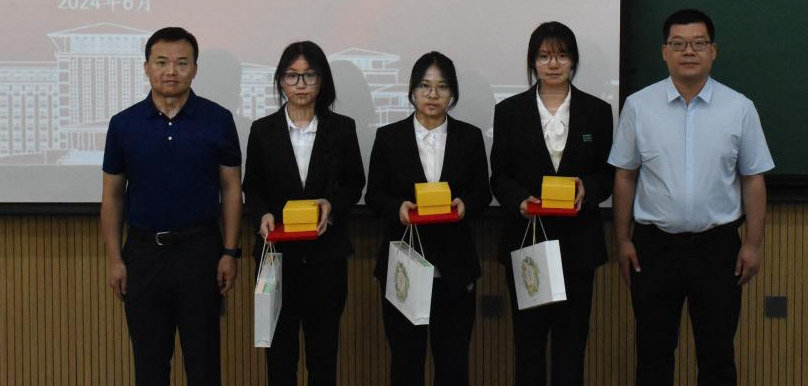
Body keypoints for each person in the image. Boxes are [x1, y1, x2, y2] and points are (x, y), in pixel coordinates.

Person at [609, 9, 774, 386]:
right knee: (653, 356)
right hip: (653, 248)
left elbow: (753, 179)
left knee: (717, 357)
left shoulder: (739, 108)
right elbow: (625, 175)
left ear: (713, 51)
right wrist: (622, 240)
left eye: (699, 43)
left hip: (717, 248)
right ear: (664, 52)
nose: (688, 51)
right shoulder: (639, 106)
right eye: (678, 44)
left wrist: (753, 244)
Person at [100, 26, 243, 386]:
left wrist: (230, 251)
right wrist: (115, 259)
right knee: (149, 365)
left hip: (201, 252)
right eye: (161, 62)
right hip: (144, 254)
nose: (171, 71)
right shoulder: (123, 124)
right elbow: (113, 196)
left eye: (181, 63)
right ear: (146, 67)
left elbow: (231, 188)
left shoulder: (218, 120)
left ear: (195, 68)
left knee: (204, 363)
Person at [489, 22, 614, 386]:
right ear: (533, 62)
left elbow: (608, 174)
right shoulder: (510, 111)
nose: (553, 64)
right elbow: (499, 176)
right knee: (528, 347)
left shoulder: (597, 111)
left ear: (573, 60)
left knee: (571, 347)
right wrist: (519, 201)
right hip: (527, 242)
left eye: (562, 55)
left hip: (579, 246)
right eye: (544, 56)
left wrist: (587, 188)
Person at [241, 41, 365, 386]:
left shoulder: (342, 128)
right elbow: (253, 189)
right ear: (280, 81)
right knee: (280, 360)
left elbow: (355, 183)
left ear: (322, 81)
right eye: (292, 76)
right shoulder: (262, 130)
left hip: (326, 259)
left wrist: (332, 204)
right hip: (276, 260)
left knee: (323, 357)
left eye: (309, 76)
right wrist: (262, 216)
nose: (300, 85)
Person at [365, 51, 491, 386]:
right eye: (424, 86)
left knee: (453, 364)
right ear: (412, 91)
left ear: (453, 94)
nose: (433, 94)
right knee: (406, 362)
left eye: (442, 87)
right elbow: (374, 194)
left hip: (455, 267)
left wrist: (466, 205)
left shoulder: (469, 137)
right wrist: (398, 208)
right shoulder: (389, 137)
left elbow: (483, 191)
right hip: (404, 265)